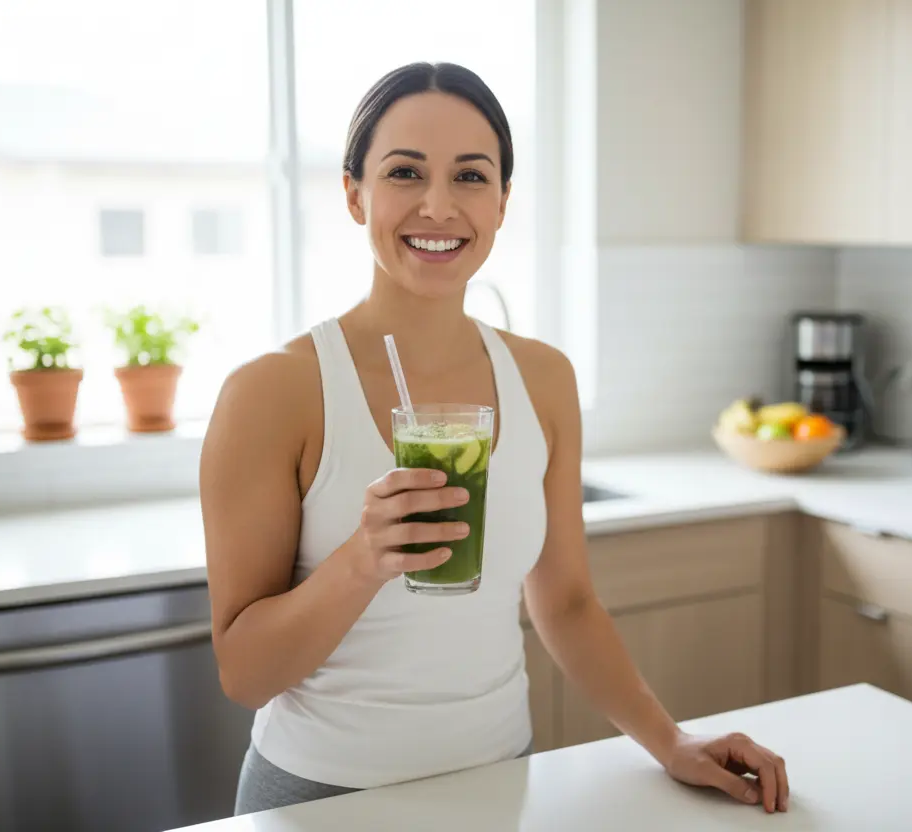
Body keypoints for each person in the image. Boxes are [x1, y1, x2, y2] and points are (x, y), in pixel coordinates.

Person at [200, 61, 790, 817]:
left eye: (471, 177)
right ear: (355, 194)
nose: (439, 206)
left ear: (504, 201)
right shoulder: (273, 392)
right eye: (405, 172)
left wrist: (670, 741)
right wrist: (361, 561)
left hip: (497, 785)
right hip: (320, 799)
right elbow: (244, 675)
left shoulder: (543, 380)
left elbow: (568, 603)